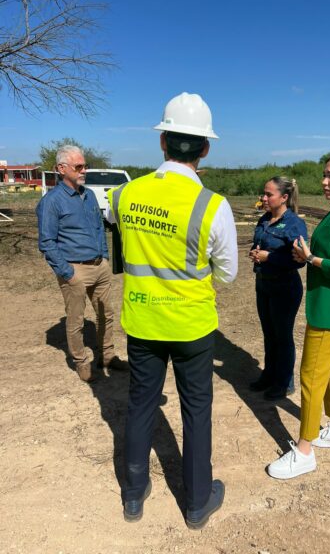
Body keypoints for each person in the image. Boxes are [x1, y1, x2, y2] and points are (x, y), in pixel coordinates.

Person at [107, 92, 238, 528]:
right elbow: (228, 274)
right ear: (205, 148)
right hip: (192, 326)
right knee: (196, 411)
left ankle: (133, 492)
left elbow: (123, 252)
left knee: (141, 403)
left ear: (162, 141)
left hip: (143, 321)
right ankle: (198, 502)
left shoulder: (125, 195)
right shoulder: (212, 206)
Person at [267, 152, 330, 479]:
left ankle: (304, 450)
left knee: (311, 378)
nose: (324, 182)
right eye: (323, 176)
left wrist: (312, 258)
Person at [36, 145, 126, 383]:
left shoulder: (89, 195)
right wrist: (68, 272)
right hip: (74, 270)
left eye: (84, 165)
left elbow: (99, 228)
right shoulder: (51, 202)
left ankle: (107, 356)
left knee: (106, 314)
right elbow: (46, 242)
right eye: (79, 166)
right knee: (75, 320)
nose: (84, 170)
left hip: (99, 267)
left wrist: (104, 257)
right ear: (61, 169)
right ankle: (81, 362)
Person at [249, 177, 307, 400]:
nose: (263, 198)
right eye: (263, 194)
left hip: (284, 287)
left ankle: (284, 383)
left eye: (268, 194)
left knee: (282, 335)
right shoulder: (264, 219)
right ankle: (269, 375)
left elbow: (300, 260)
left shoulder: (293, 224)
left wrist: (270, 257)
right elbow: (260, 245)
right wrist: (256, 254)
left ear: (284, 198)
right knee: (269, 333)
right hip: (263, 283)